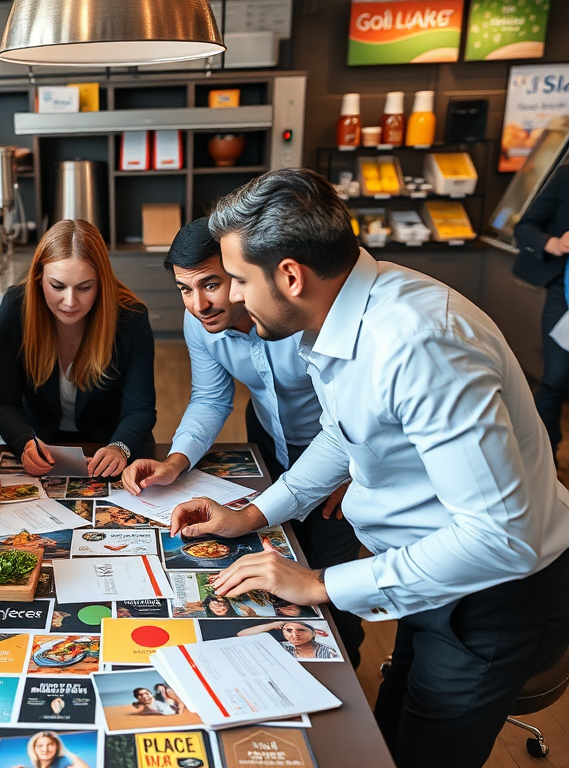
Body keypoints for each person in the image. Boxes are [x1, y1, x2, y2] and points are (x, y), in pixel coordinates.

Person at [170, 168, 569, 768]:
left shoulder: (419, 341)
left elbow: (499, 538)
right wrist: (252, 513)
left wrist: (321, 584)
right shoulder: (349, 314)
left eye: (237, 281)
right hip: (424, 575)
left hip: (489, 597)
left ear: (289, 276)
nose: (232, 299)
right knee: (388, 742)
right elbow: (344, 434)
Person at [120, 217, 363, 665]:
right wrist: (175, 461)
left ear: (237, 270)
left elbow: (348, 417)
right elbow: (212, 399)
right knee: (276, 557)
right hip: (269, 442)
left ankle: (348, 677)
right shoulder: (200, 323)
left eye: (210, 284)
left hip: (341, 459)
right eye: (184, 290)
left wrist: (354, 467)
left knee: (331, 578)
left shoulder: (294, 313)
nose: (198, 304)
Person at [0, 219, 156, 477]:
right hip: (43, 451)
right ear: (38, 278)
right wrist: (24, 442)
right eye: (57, 286)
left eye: (84, 287)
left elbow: (140, 409)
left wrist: (120, 448)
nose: (70, 302)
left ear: (101, 283)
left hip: (111, 448)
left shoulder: (131, 318)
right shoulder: (15, 309)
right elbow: (2, 402)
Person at [513, 163, 569, 455]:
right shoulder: (565, 176)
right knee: (555, 378)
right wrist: (554, 243)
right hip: (565, 295)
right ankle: (543, 455)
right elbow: (524, 227)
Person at [238, 621, 339, 660]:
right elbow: (242, 635)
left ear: (313, 632)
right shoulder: (283, 646)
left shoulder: (328, 651)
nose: (295, 635)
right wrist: (276, 624)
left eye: (301, 630)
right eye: (289, 630)